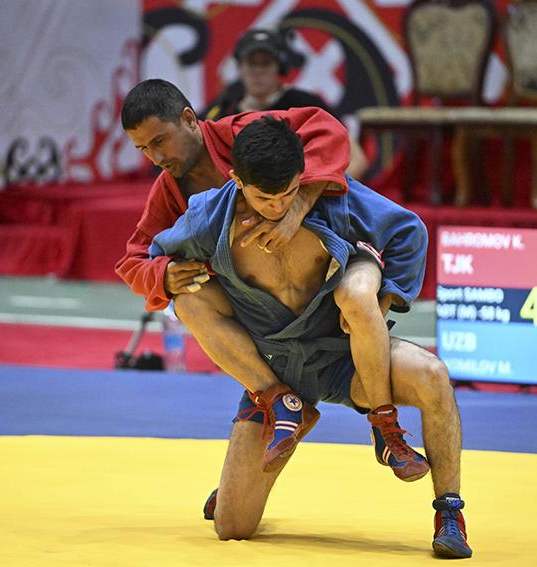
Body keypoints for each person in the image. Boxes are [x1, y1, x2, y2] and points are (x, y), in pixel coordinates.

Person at [149, 116, 472, 559]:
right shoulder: (209, 217)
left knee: (433, 375)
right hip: (274, 366)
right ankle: (275, 407)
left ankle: (448, 510)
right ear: (236, 180)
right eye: (265, 198)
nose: (278, 207)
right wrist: (164, 274)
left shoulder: (331, 200)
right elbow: (154, 253)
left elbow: (409, 232)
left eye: (288, 194)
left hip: (350, 360)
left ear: (302, 177)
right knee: (232, 526)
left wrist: (383, 302)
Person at [117, 79, 424, 481]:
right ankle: (280, 400)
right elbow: (134, 261)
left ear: (189, 119)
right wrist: (164, 275)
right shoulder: (169, 190)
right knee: (188, 300)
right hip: (264, 325)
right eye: (143, 149)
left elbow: (327, 129)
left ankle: (385, 425)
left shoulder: (248, 137)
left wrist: (300, 205)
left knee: (366, 299)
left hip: (324, 301)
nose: (155, 157)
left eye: (160, 141)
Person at [202, 28, 369, 179]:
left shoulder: (307, 106)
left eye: (266, 63)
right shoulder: (223, 109)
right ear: (240, 67)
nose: (258, 71)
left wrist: (321, 193)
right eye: (252, 63)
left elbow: (357, 159)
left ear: (280, 67)